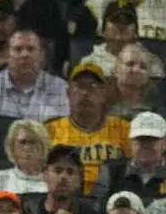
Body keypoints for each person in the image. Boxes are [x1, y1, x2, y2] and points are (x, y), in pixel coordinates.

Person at [45, 62, 131, 195]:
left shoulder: (123, 128)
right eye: (79, 87)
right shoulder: (50, 129)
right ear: (68, 93)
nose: (85, 93)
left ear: (104, 94)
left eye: (93, 87)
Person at [0, 30, 68, 121]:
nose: (24, 54)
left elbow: (61, 131)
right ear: (7, 55)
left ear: (41, 55)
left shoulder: (60, 87)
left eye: (31, 49)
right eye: (18, 49)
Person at [21, 144, 102, 214]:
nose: (63, 176)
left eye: (70, 172)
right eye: (58, 170)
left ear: (80, 180)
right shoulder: (26, 213)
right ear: (45, 175)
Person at [0, 119, 49, 214]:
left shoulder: (54, 180)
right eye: (22, 142)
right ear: (12, 148)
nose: (27, 148)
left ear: (44, 148)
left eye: (32, 142)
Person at [81, 0, 164, 83]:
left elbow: (158, 90)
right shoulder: (90, 62)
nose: (121, 26)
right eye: (115, 20)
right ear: (103, 31)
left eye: (128, 22)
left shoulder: (151, 62)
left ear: (136, 33)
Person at [92, 111, 166, 204]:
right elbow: (97, 210)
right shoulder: (110, 172)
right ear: (130, 143)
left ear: (164, 143)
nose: (146, 145)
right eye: (140, 140)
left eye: (152, 140)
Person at [109, 43, 163, 119]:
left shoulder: (159, 102)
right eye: (130, 64)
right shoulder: (100, 97)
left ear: (148, 74)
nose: (136, 70)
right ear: (116, 68)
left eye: (143, 67)